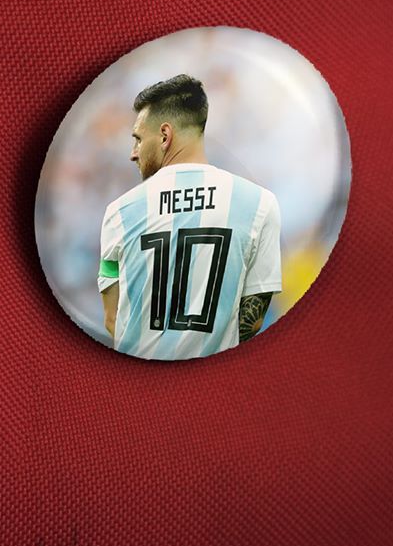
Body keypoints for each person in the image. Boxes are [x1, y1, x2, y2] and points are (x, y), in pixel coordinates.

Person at [98, 74, 281, 359]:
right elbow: (253, 321)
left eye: (138, 139)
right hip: (213, 381)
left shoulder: (120, 211)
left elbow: (112, 319)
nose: (133, 153)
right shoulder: (259, 204)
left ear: (164, 135)